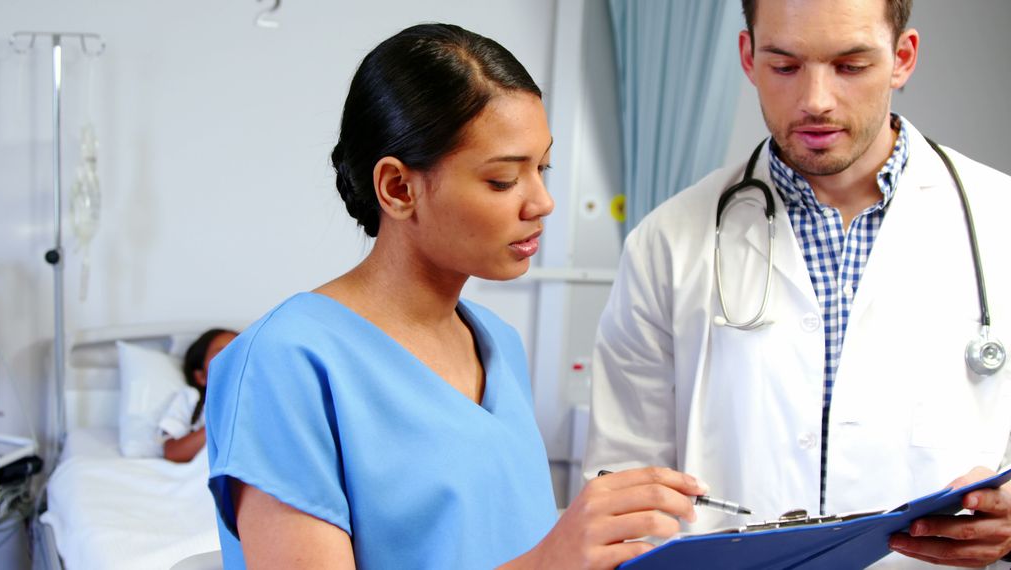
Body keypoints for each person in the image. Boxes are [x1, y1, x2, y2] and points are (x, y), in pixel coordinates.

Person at [205, 23, 708, 569]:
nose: (542, 202)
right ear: (398, 188)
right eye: (503, 180)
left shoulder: (499, 345)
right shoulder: (285, 363)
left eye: (542, 168)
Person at [585, 0, 1011, 568]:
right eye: (785, 66)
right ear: (748, 57)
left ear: (902, 58)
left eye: (850, 65)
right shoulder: (666, 242)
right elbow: (625, 473)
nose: (815, 100)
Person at [160, 328, 238, 463]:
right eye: (223, 355)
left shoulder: (266, 399)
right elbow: (172, 452)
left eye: (241, 353)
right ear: (201, 376)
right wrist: (225, 421)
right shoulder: (191, 398)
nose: (235, 361)